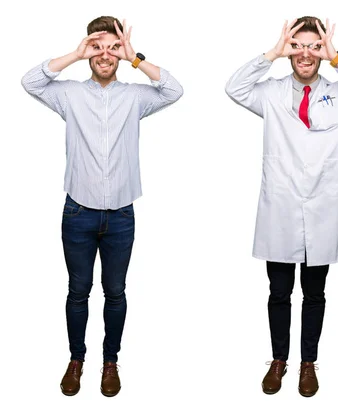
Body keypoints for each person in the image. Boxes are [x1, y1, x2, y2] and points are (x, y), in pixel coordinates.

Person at [22, 16, 183, 397]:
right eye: (99, 47)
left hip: (122, 215)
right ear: (89, 49)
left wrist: (135, 58)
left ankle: (110, 361)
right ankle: (76, 360)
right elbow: (30, 81)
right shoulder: (69, 94)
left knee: (115, 291)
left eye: (113, 47)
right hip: (78, 212)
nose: (105, 54)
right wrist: (76, 54)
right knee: (78, 291)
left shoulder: (136, 97)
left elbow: (174, 90)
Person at [225, 16, 338, 397]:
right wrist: (273, 52)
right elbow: (234, 87)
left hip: (323, 206)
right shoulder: (270, 92)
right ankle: (279, 360)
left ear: (324, 51)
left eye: (314, 46)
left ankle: (308, 362)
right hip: (280, 204)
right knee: (279, 292)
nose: (306, 54)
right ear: (289, 51)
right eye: (298, 46)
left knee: (314, 293)